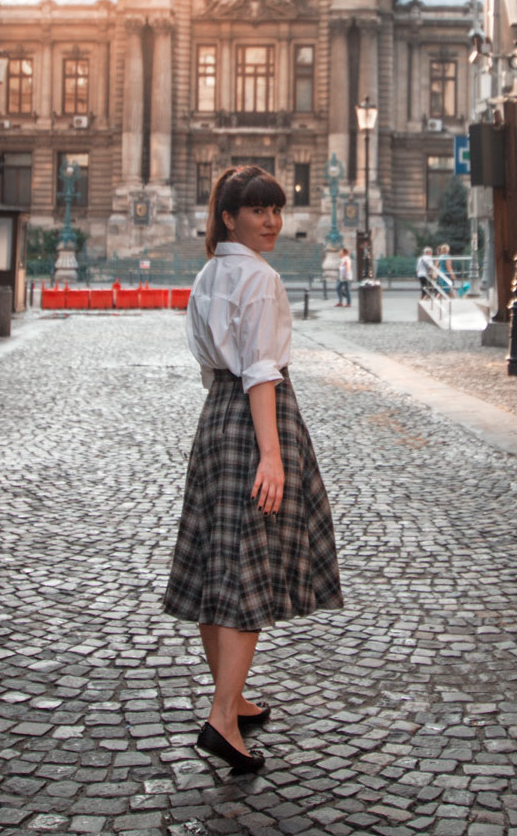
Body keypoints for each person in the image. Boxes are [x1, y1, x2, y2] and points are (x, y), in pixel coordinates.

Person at [164, 165, 343, 774]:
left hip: (214, 417)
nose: (273, 222)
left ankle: (233, 696)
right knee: (248, 572)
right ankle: (220, 717)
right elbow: (262, 373)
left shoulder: (209, 272)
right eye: (260, 210)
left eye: (277, 209)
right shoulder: (260, 278)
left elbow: (209, 358)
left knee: (219, 560)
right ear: (229, 216)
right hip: (254, 418)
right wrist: (272, 453)